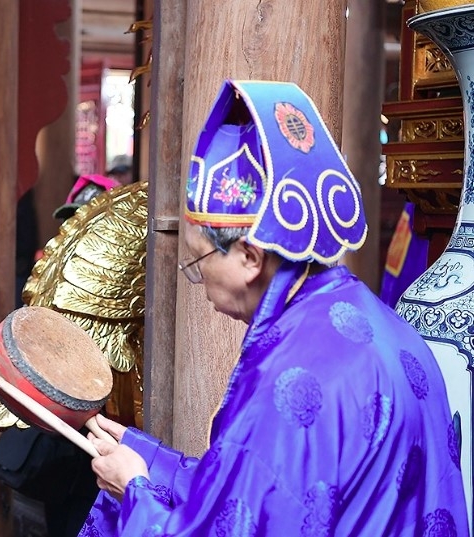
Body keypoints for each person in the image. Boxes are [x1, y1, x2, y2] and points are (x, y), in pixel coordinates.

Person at [80, 80, 468, 535]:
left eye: (199, 258)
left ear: (250, 256)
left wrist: (136, 494)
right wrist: (150, 460)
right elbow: (252, 498)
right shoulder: (382, 323)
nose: (197, 276)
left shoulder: (291, 379)